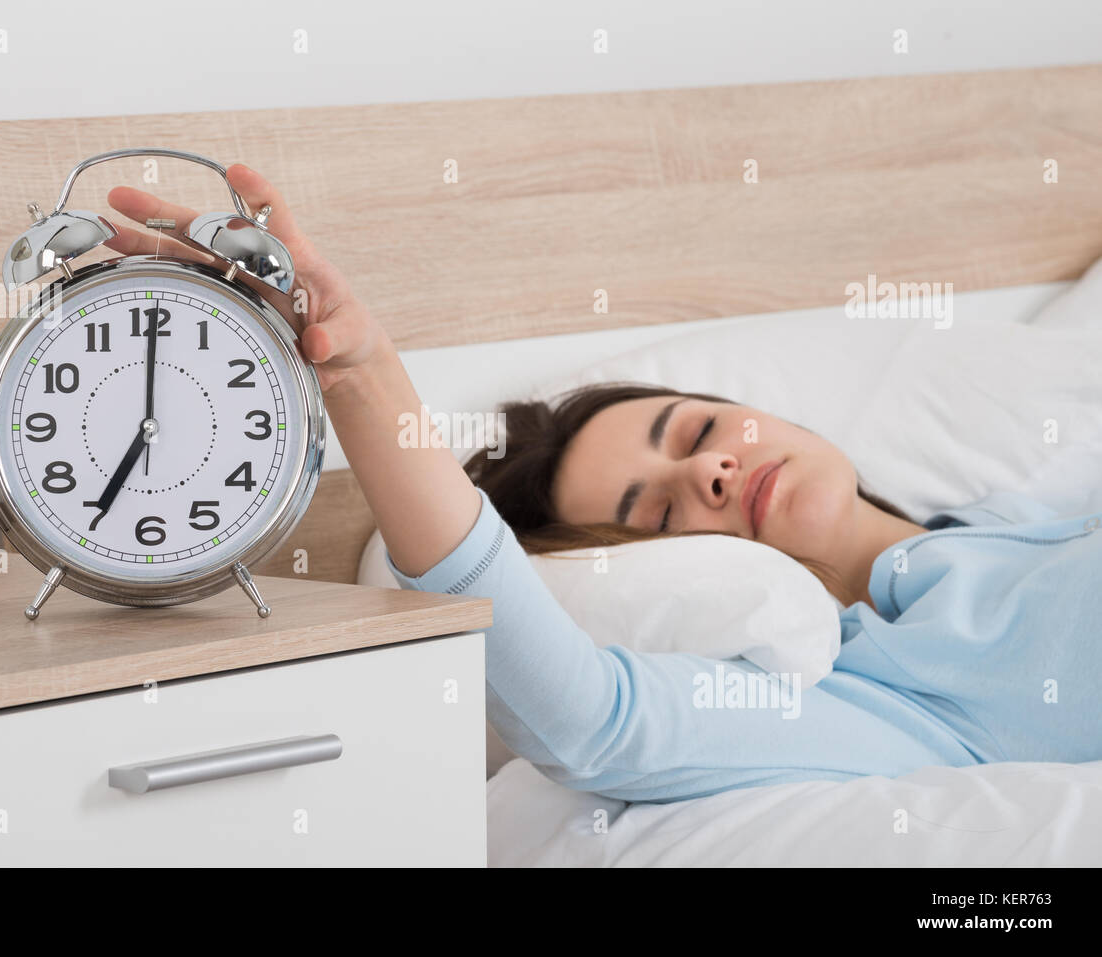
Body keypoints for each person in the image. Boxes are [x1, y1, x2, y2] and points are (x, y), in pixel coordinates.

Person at [103, 166, 1102, 803]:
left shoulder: (1015, 520)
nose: (709, 472)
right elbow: (590, 718)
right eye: (658, 515)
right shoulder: (868, 701)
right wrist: (361, 375)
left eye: (700, 434)